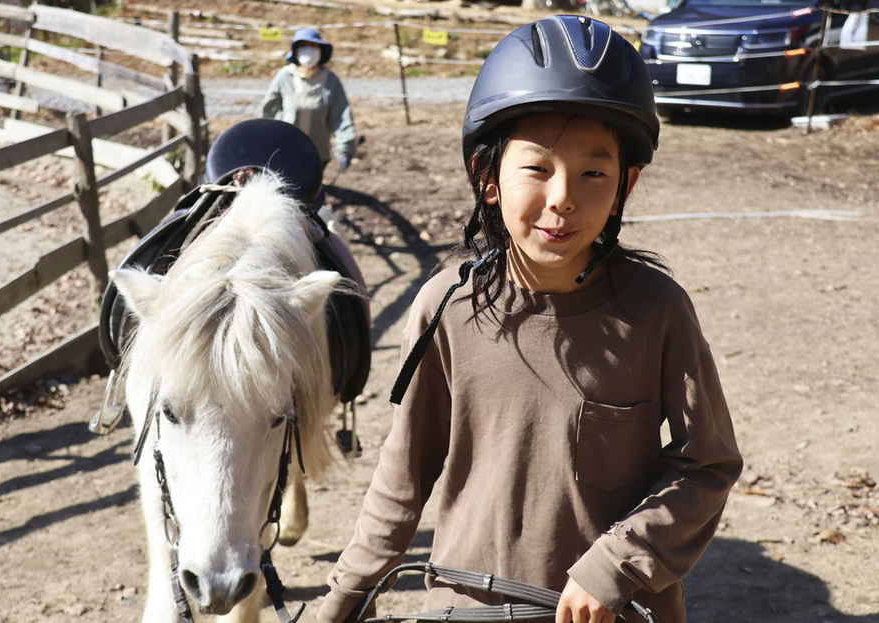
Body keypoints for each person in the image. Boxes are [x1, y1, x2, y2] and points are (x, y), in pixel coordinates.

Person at [317, 14, 742, 623]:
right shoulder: (446, 306)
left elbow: (709, 464)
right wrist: (341, 602)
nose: (563, 196)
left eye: (593, 172)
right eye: (537, 168)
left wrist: (617, 564)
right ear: (486, 178)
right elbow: (402, 477)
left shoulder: (657, 311)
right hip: (465, 608)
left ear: (626, 185)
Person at [261, 28, 356, 176]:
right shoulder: (285, 77)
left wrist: (345, 148)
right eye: (304, 45)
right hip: (285, 151)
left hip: (317, 153)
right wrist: (267, 142)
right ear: (296, 50)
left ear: (320, 50)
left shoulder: (331, 80)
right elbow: (268, 113)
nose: (308, 50)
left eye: (313, 46)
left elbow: (341, 115)